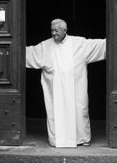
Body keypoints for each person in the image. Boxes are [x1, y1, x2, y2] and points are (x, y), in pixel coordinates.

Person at [25, 19, 106, 148]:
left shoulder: (79, 44)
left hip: (76, 89)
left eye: (56, 30)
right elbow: (28, 54)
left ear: (65, 30)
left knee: (80, 111)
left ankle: (82, 138)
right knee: (56, 113)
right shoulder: (45, 46)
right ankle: (58, 140)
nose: (53, 33)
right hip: (56, 91)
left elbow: (101, 46)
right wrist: (8, 49)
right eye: (52, 30)